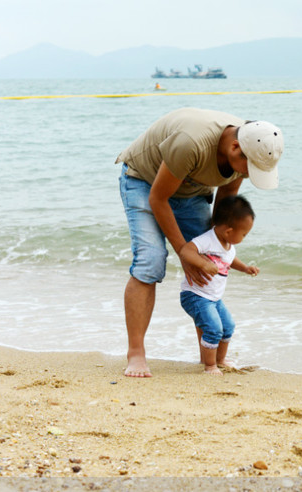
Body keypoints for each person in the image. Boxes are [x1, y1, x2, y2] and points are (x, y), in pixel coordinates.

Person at [116, 107, 283, 377]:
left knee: (207, 258)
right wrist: (184, 251)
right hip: (144, 182)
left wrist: (213, 247)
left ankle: (209, 358)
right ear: (235, 147)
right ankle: (136, 353)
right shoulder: (191, 143)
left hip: (191, 188)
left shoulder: (253, 143)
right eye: (249, 168)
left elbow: (226, 200)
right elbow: (158, 199)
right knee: (151, 260)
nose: (250, 175)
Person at [179, 195, 259, 374]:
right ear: (229, 231)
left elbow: (230, 260)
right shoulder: (208, 240)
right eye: (244, 234)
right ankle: (209, 366)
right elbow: (186, 251)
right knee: (213, 328)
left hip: (214, 298)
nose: (244, 237)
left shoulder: (228, 244)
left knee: (228, 326)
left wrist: (245, 268)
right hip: (195, 295)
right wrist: (203, 264)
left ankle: (220, 359)